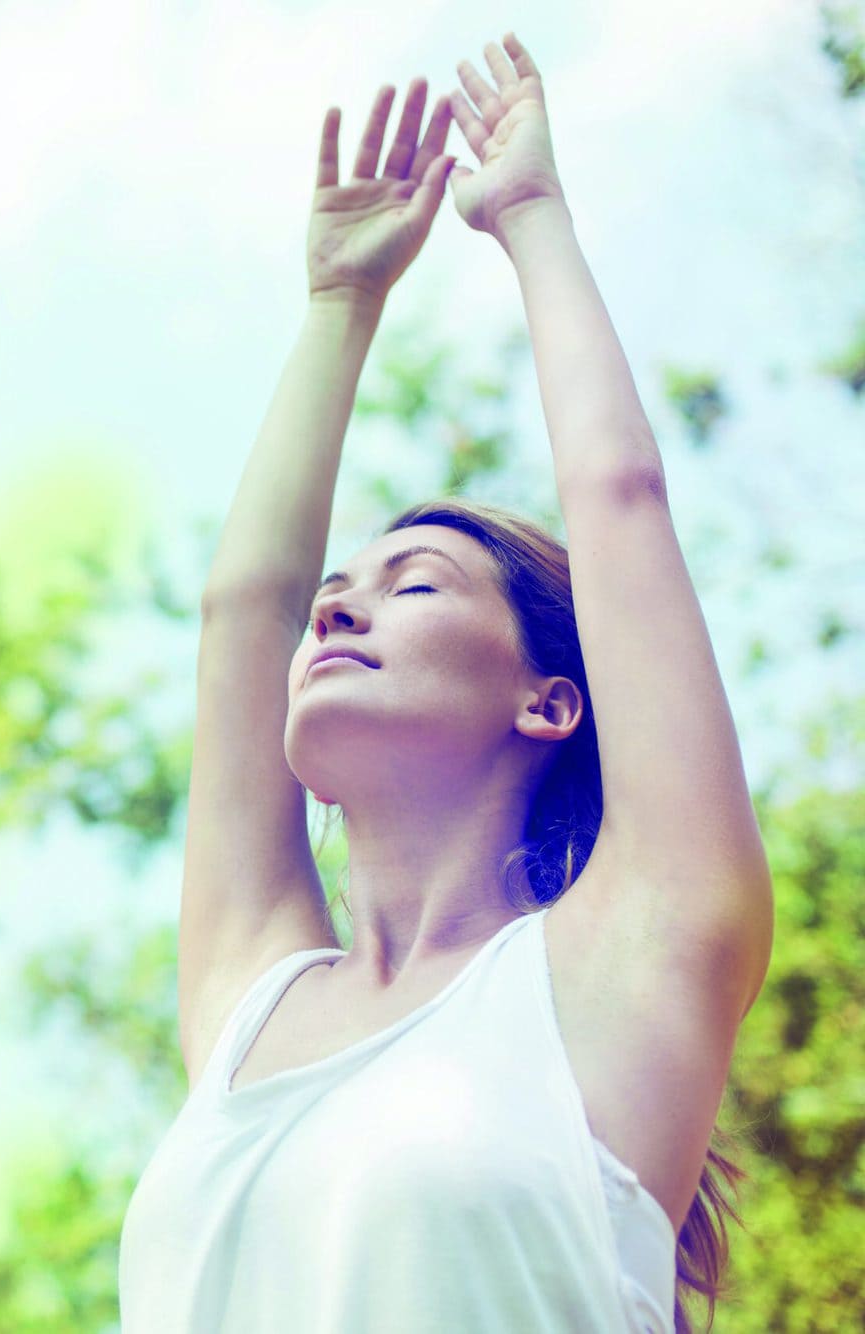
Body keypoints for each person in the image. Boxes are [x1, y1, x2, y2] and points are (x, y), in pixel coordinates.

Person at [119, 36, 771, 1334]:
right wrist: (335, 303)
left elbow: (619, 502)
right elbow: (245, 613)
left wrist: (530, 216)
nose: (337, 601)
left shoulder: (629, 964)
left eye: (413, 582)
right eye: (337, 593)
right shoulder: (252, 995)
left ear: (550, 699)